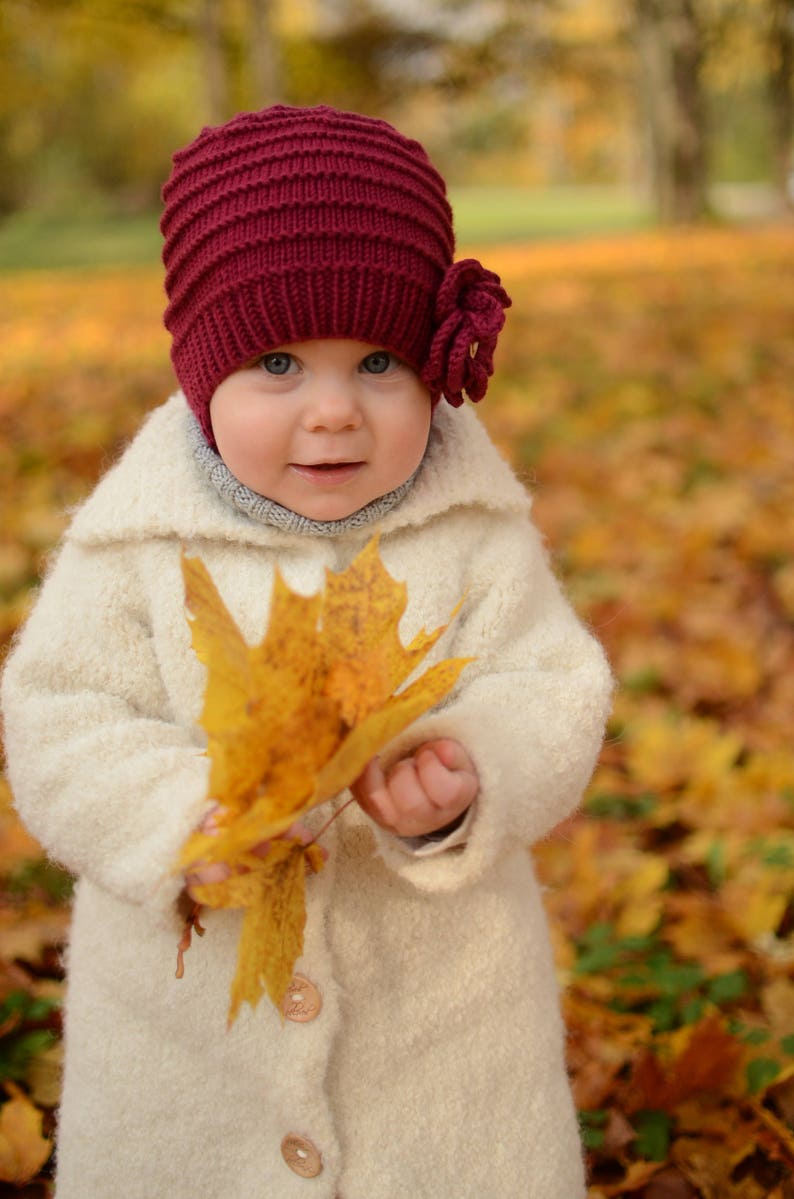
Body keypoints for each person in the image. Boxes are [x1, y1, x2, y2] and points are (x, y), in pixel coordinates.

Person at [1, 105, 612, 1198]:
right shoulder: (138, 542)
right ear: (198, 372)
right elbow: (61, 716)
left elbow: (548, 683)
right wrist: (181, 811)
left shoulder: (470, 529)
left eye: (377, 360)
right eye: (277, 362)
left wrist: (472, 769)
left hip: (440, 1033)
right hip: (188, 1040)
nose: (332, 413)